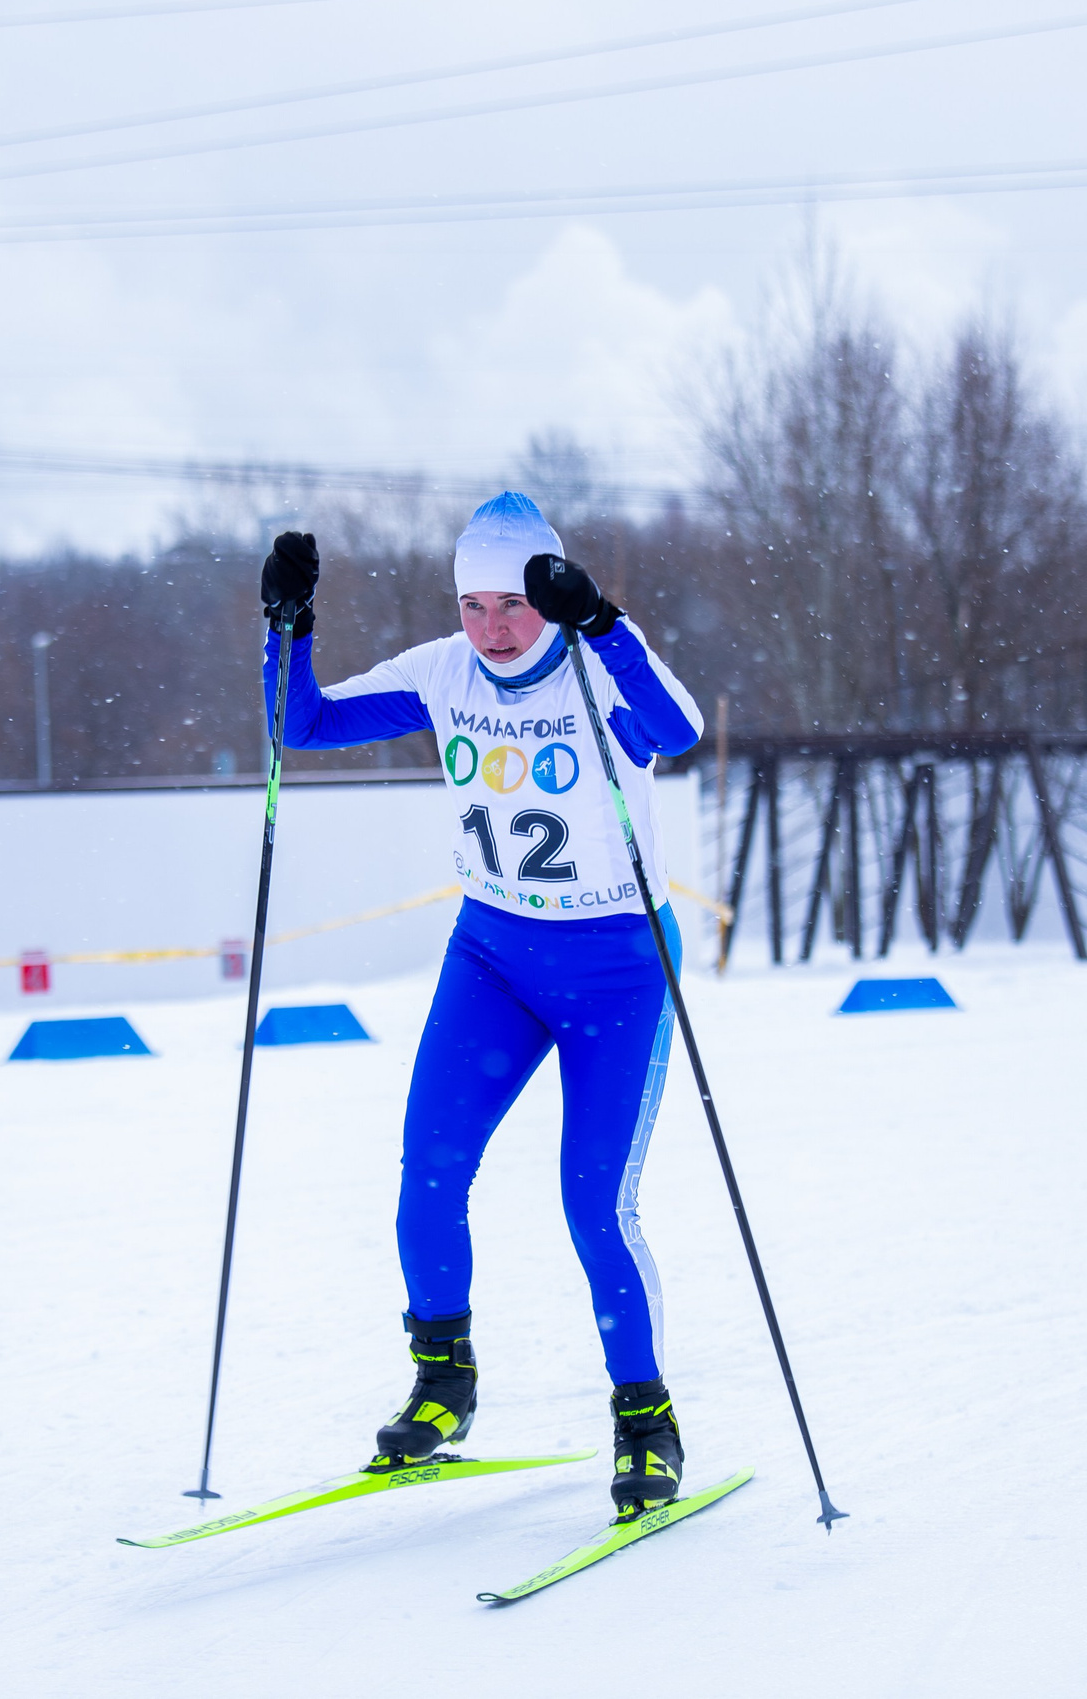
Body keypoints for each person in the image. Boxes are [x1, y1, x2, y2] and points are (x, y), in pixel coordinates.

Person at [257, 491, 705, 1521]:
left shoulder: (596, 665)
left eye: (516, 604)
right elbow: (300, 726)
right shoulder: (442, 672)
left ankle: (645, 1422)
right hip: (494, 959)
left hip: (619, 968)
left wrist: (602, 621)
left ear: (550, 594)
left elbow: (674, 730)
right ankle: (443, 1383)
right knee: (428, 1173)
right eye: (474, 607)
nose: (495, 630)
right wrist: (286, 627)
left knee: (596, 1204)